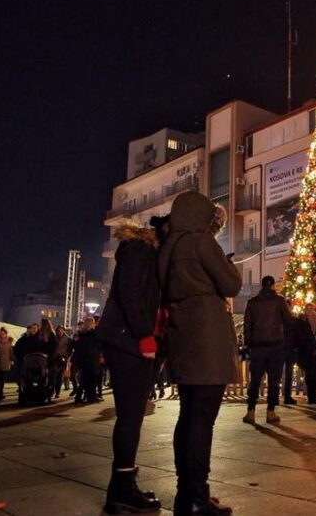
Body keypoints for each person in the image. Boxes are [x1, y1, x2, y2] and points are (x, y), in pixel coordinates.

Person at [158, 192, 240, 516]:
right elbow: (231, 284)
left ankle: (186, 494)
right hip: (208, 338)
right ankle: (197, 498)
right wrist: (227, 262)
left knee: (188, 416)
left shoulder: (170, 247)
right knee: (203, 420)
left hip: (183, 336)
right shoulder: (202, 242)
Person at [94, 222, 163, 514]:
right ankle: (121, 491)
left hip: (129, 340)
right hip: (128, 341)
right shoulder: (140, 248)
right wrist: (144, 333)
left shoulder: (144, 250)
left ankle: (122, 485)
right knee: (130, 417)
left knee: (132, 416)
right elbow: (130, 292)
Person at [242, 275, 293, 425]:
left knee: (255, 380)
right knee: (274, 381)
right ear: (272, 286)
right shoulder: (279, 301)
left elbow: (247, 325)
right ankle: (270, 412)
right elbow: (288, 320)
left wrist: (248, 344)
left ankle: (251, 411)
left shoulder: (252, 302)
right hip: (275, 346)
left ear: (262, 286)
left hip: (258, 347)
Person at [291, 303, 316, 404]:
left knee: (315, 374)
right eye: (307, 308)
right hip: (306, 351)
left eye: (311, 308)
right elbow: (298, 336)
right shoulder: (301, 322)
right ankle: (311, 396)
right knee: (309, 374)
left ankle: (313, 396)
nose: (309, 310)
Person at [73, 317, 100, 403]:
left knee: (84, 379)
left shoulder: (80, 333)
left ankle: (80, 397)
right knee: (91, 379)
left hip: (82, 359)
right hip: (90, 359)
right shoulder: (93, 333)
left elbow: (76, 345)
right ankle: (91, 397)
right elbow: (96, 345)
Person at [0, 327, 14, 400]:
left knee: (2, 379)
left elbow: (11, 352)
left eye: (3, 334)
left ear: (6, 334)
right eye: (1, 334)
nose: (2, 335)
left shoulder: (9, 343)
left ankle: (0, 392)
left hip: (5, 363)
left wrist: (13, 359)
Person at [54, 325, 70, 397]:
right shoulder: (54, 337)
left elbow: (70, 349)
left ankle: (57, 392)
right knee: (54, 375)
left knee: (60, 375)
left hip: (63, 358)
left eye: (61, 330)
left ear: (63, 330)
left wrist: (67, 356)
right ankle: (54, 390)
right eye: (58, 330)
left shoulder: (67, 339)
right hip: (55, 358)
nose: (60, 331)